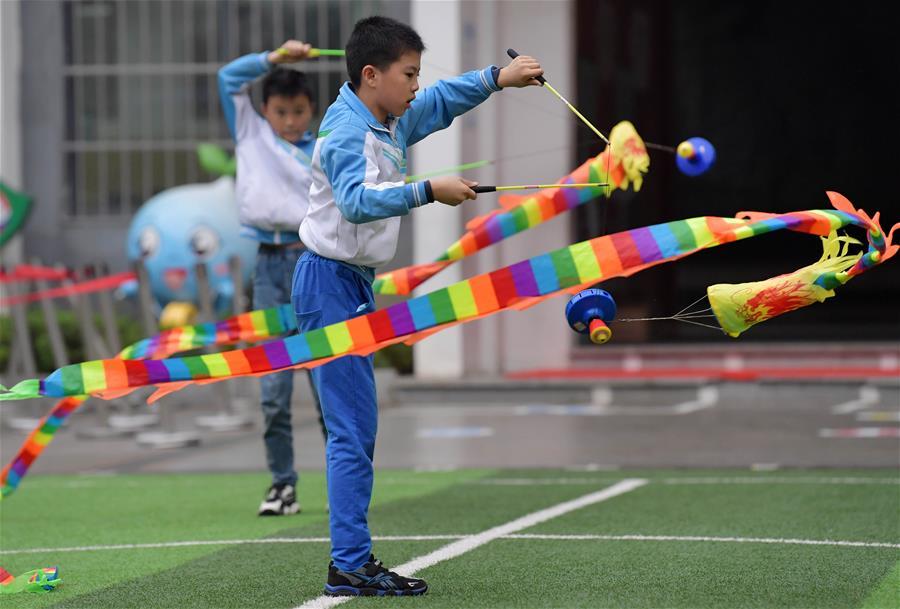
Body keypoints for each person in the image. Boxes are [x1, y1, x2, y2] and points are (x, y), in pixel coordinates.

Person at [292, 16, 543, 597]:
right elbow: (354, 204)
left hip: (350, 284)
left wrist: (497, 78)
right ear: (371, 74)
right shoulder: (345, 130)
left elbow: (438, 102)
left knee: (358, 429)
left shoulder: (388, 118)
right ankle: (349, 564)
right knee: (351, 431)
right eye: (408, 75)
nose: (415, 86)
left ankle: (351, 560)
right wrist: (429, 190)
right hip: (328, 284)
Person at [218, 40, 326, 517]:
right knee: (272, 390)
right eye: (280, 111)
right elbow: (227, 78)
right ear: (264, 110)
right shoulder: (251, 134)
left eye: (299, 111)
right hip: (267, 268)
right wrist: (274, 60)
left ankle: (346, 484)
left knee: (327, 381)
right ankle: (283, 485)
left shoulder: (324, 149)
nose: (289, 121)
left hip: (315, 264)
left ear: (312, 111)